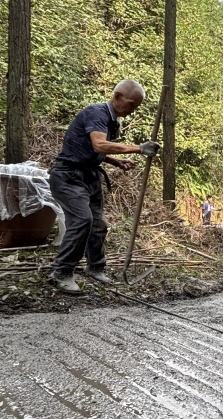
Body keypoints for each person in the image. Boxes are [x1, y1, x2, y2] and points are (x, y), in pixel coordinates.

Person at [48, 79, 159, 293]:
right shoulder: (97, 113)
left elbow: (91, 149)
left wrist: (114, 161)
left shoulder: (112, 121)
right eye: (132, 105)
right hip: (68, 176)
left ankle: (95, 267)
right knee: (82, 220)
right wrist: (139, 148)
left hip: (89, 175)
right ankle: (61, 272)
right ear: (118, 96)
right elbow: (99, 144)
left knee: (98, 224)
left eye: (136, 106)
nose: (133, 110)